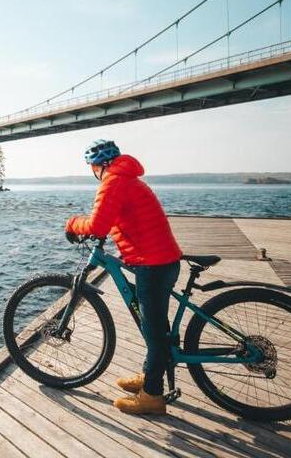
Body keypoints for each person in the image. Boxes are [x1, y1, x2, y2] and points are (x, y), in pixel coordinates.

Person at [65, 139, 182, 415]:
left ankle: (152, 397)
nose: (92, 171)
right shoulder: (127, 178)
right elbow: (115, 217)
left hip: (152, 265)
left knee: (154, 334)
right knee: (156, 327)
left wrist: (72, 223)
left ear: (99, 165)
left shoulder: (113, 181)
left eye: (91, 166)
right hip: (161, 260)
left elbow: (96, 225)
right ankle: (151, 377)